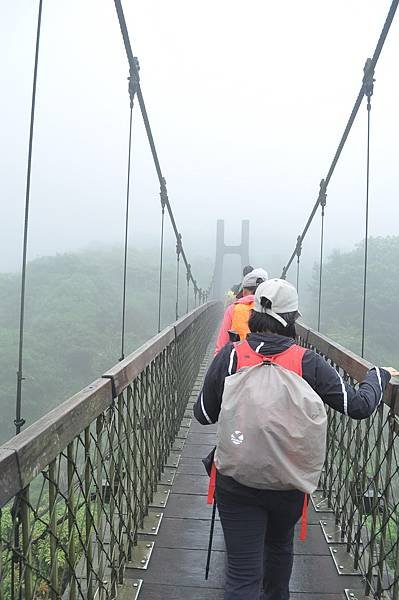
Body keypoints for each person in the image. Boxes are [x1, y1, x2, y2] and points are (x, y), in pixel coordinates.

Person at [194, 278, 391, 600]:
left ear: (253, 313)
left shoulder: (231, 355)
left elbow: (203, 414)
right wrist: (377, 377)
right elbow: (358, 407)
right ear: (293, 319)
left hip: (236, 480)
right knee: (278, 554)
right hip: (289, 482)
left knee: (242, 577)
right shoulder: (307, 361)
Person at [215, 268, 268, 354]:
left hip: (239, 361)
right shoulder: (273, 309)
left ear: (244, 291)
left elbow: (221, 346)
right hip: (265, 362)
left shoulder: (233, 309)